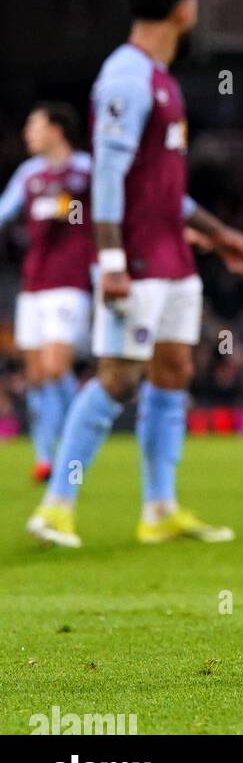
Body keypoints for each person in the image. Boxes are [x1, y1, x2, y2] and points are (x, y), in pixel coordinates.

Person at [27, 0, 243, 549]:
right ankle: (57, 506)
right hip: (134, 257)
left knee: (174, 372)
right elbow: (106, 174)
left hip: (174, 256)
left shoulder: (161, 79)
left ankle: (159, 508)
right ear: (181, 9)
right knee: (117, 376)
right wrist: (110, 260)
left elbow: (160, 185)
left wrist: (217, 231)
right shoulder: (125, 79)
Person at [0, 104, 92, 481]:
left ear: (57, 129)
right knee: (37, 374)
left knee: (57, 367)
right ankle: (44, 457)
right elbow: (5, 211)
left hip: (69, 282)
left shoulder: (84, 169)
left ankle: (77, 449)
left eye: (33, 126)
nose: (27, 134)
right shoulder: (28, 174)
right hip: (33, 283)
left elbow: (81, 217)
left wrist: (66, 207)